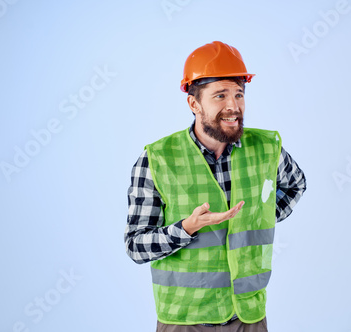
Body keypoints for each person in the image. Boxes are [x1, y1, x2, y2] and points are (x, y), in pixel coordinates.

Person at [125, 41, 306, 331]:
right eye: (220, 95)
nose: (233, 106)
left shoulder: (266, 148)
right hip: (184, 320)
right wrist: (185, 228)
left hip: (249, 316)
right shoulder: (157, 158)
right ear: (194, 103)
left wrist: (261, 214)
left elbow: (296, 185)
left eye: (239, 94)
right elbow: (136, 246)